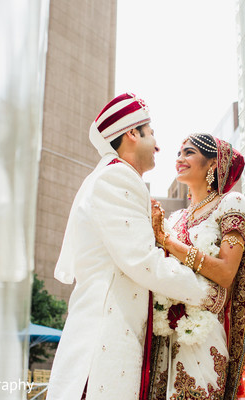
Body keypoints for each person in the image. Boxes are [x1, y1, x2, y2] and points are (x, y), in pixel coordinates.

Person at [47, 94, 227, 400]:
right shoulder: (116, 177)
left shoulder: (113, 176)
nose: (158, 145)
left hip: (117, 334)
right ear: (132, 134)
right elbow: (144, 261)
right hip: (104, 340)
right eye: (151, 132)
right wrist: (207, 292)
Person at [148, 133, 245, 400]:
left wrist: (169, 243)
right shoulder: (175, 219)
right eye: (178, 154)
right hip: (169, 335)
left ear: (211, 164)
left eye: (189, 153)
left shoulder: (231, 203)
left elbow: (226, 273)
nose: (179, 159)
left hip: (204, 336)